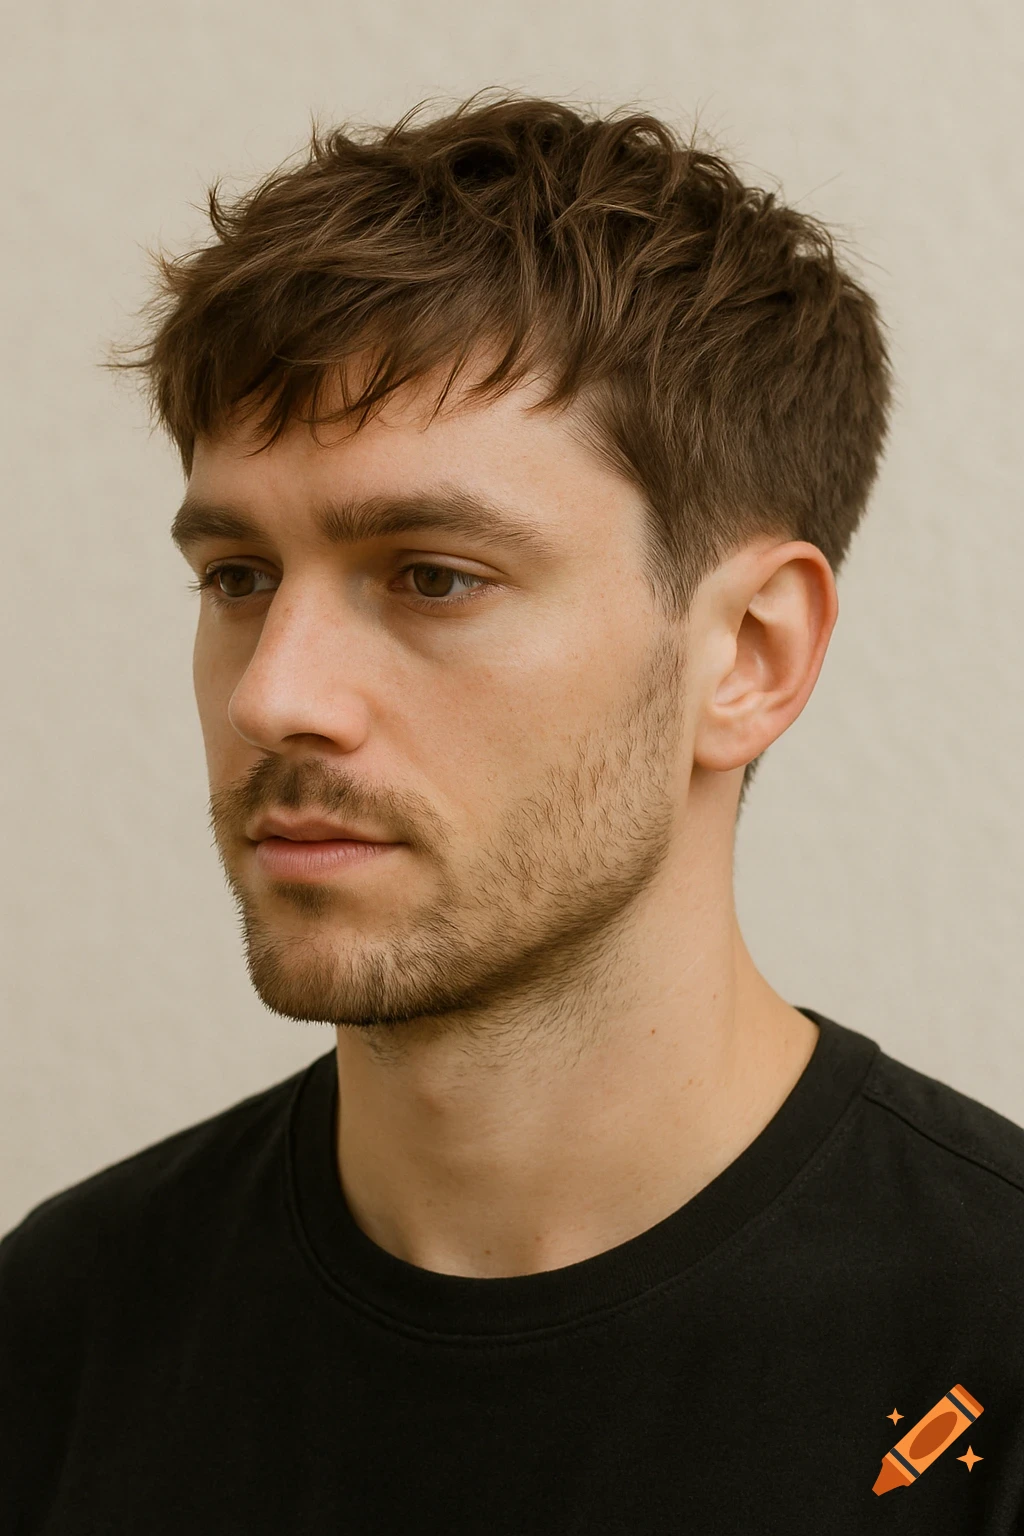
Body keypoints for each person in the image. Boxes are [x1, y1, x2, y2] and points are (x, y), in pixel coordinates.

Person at [3, 91, 1022, 1534]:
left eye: (432, 575)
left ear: (749, 657)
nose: (274, 696)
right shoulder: (67, 1326)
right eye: (238, 576)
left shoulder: (987, 1346)